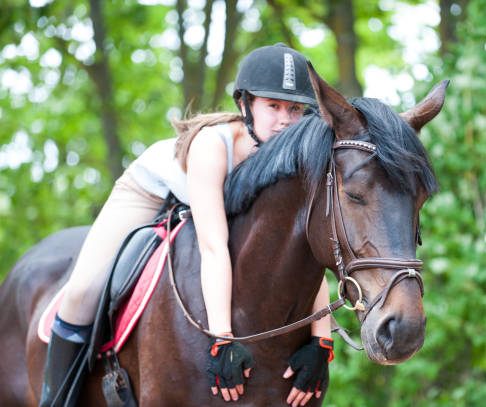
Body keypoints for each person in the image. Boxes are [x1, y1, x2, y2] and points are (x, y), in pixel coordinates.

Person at [40, 43, 334, 407]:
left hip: (215, 201)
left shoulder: (294, 158)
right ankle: (54, 399)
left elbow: (302, 251)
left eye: (294, 109)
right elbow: (213, 246)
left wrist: (323, 341)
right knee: (82, 291)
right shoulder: (213, 145)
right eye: (272, 106)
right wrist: (222, 338)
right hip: (150, 191)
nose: (285, 121)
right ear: (245, 105)